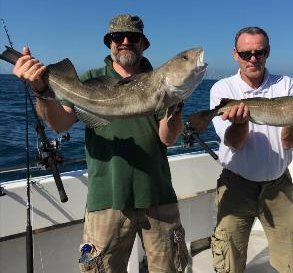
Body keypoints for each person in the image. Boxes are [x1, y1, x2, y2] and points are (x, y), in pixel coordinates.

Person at [13, 14, 189, 273]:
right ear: (110, 43)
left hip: (158, 196)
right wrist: (41, 90)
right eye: (118, 37)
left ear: (143, 44)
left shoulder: (158, 80)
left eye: (133, 37)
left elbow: (168, 137)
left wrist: (175, 104)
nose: (125, 41)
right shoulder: (89, 79)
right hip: (106, 199)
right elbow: (61, 123)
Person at [210, 26, 293, 273]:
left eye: (259, 52)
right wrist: (240, 123)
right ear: (235, 54)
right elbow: (234, 143)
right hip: (235, 186)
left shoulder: (287, 86)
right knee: (228, 262)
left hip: (279, 186)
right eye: (245, 54)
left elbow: (287, 143)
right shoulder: (222, 89)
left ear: (268, 52)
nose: (252, 58)